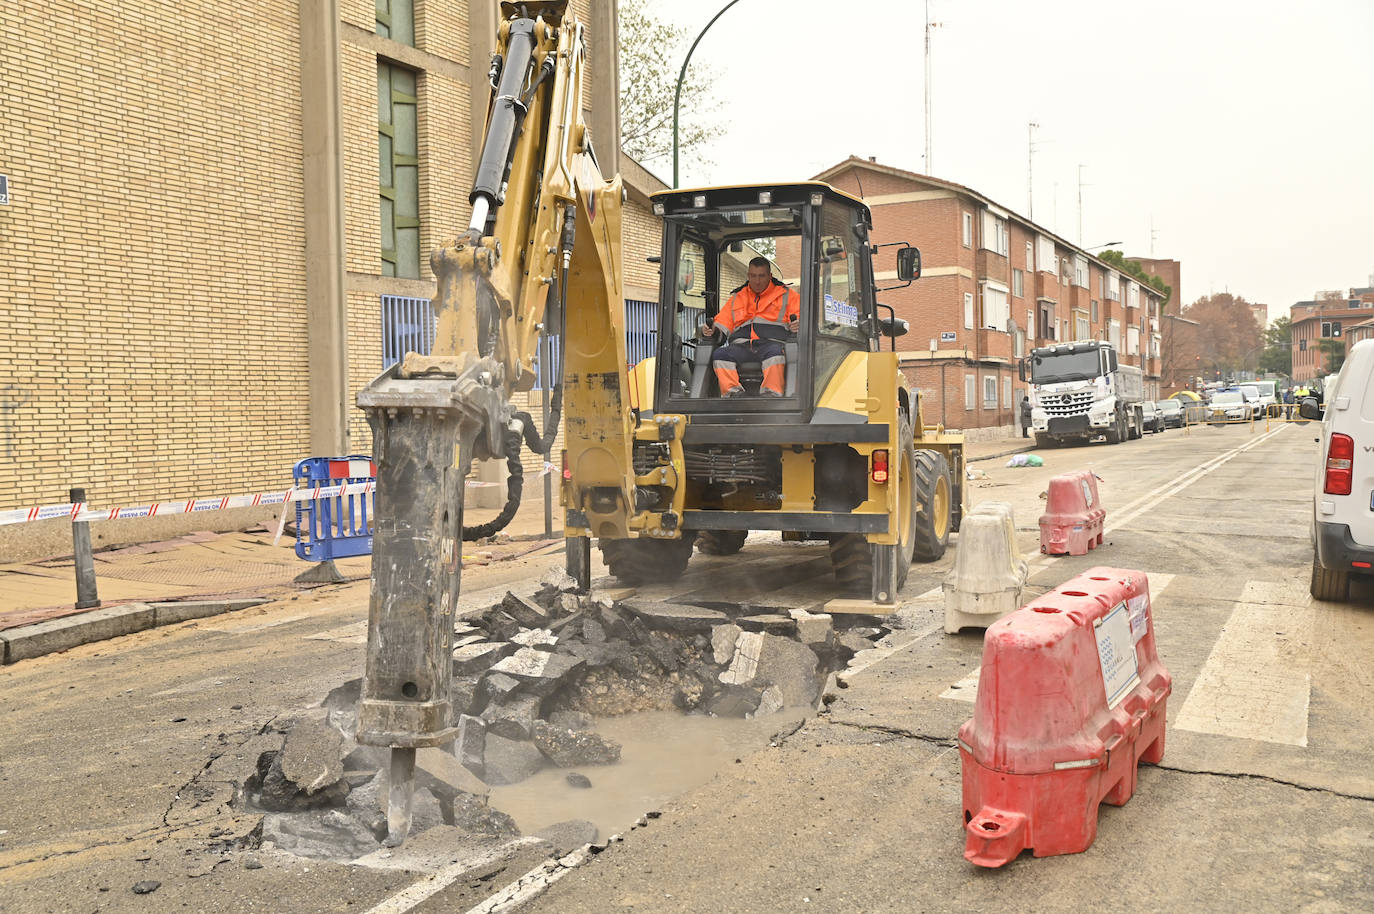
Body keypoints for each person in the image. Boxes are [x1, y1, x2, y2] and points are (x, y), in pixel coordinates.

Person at [704, 257, 800, 397]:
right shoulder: (738, 297)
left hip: (772, 344)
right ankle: (733, 395)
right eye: (753, 276)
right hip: (741, 347)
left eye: (761, 276)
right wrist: (712, 331)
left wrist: (797, 325)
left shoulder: (788, 296)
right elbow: (722, 324)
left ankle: (771, 394)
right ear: (748, 276)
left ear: (770, 276)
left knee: (775, 355)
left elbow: (801, 319)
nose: (757, 281)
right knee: (720, 355)